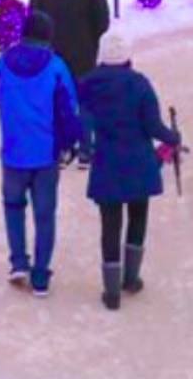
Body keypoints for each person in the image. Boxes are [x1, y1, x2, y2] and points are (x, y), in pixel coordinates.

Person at [76, 29, 183, 311]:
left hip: (106, 164)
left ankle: (111, 292)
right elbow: (153, 126)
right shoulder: (139, 84)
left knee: (109, 226)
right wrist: (173, 138)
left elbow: (81, 122)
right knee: (138, 217)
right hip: (138, 162)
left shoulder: (86, 85)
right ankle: (131, 278)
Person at [0, 9, 82, 294]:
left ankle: (18, 262)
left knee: (13, 207)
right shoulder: (55, 66)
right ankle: (40, 276)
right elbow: (70, 106)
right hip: (46, 153)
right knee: (44, 213)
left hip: (13, 151)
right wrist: (72, 143)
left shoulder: (3, 62)